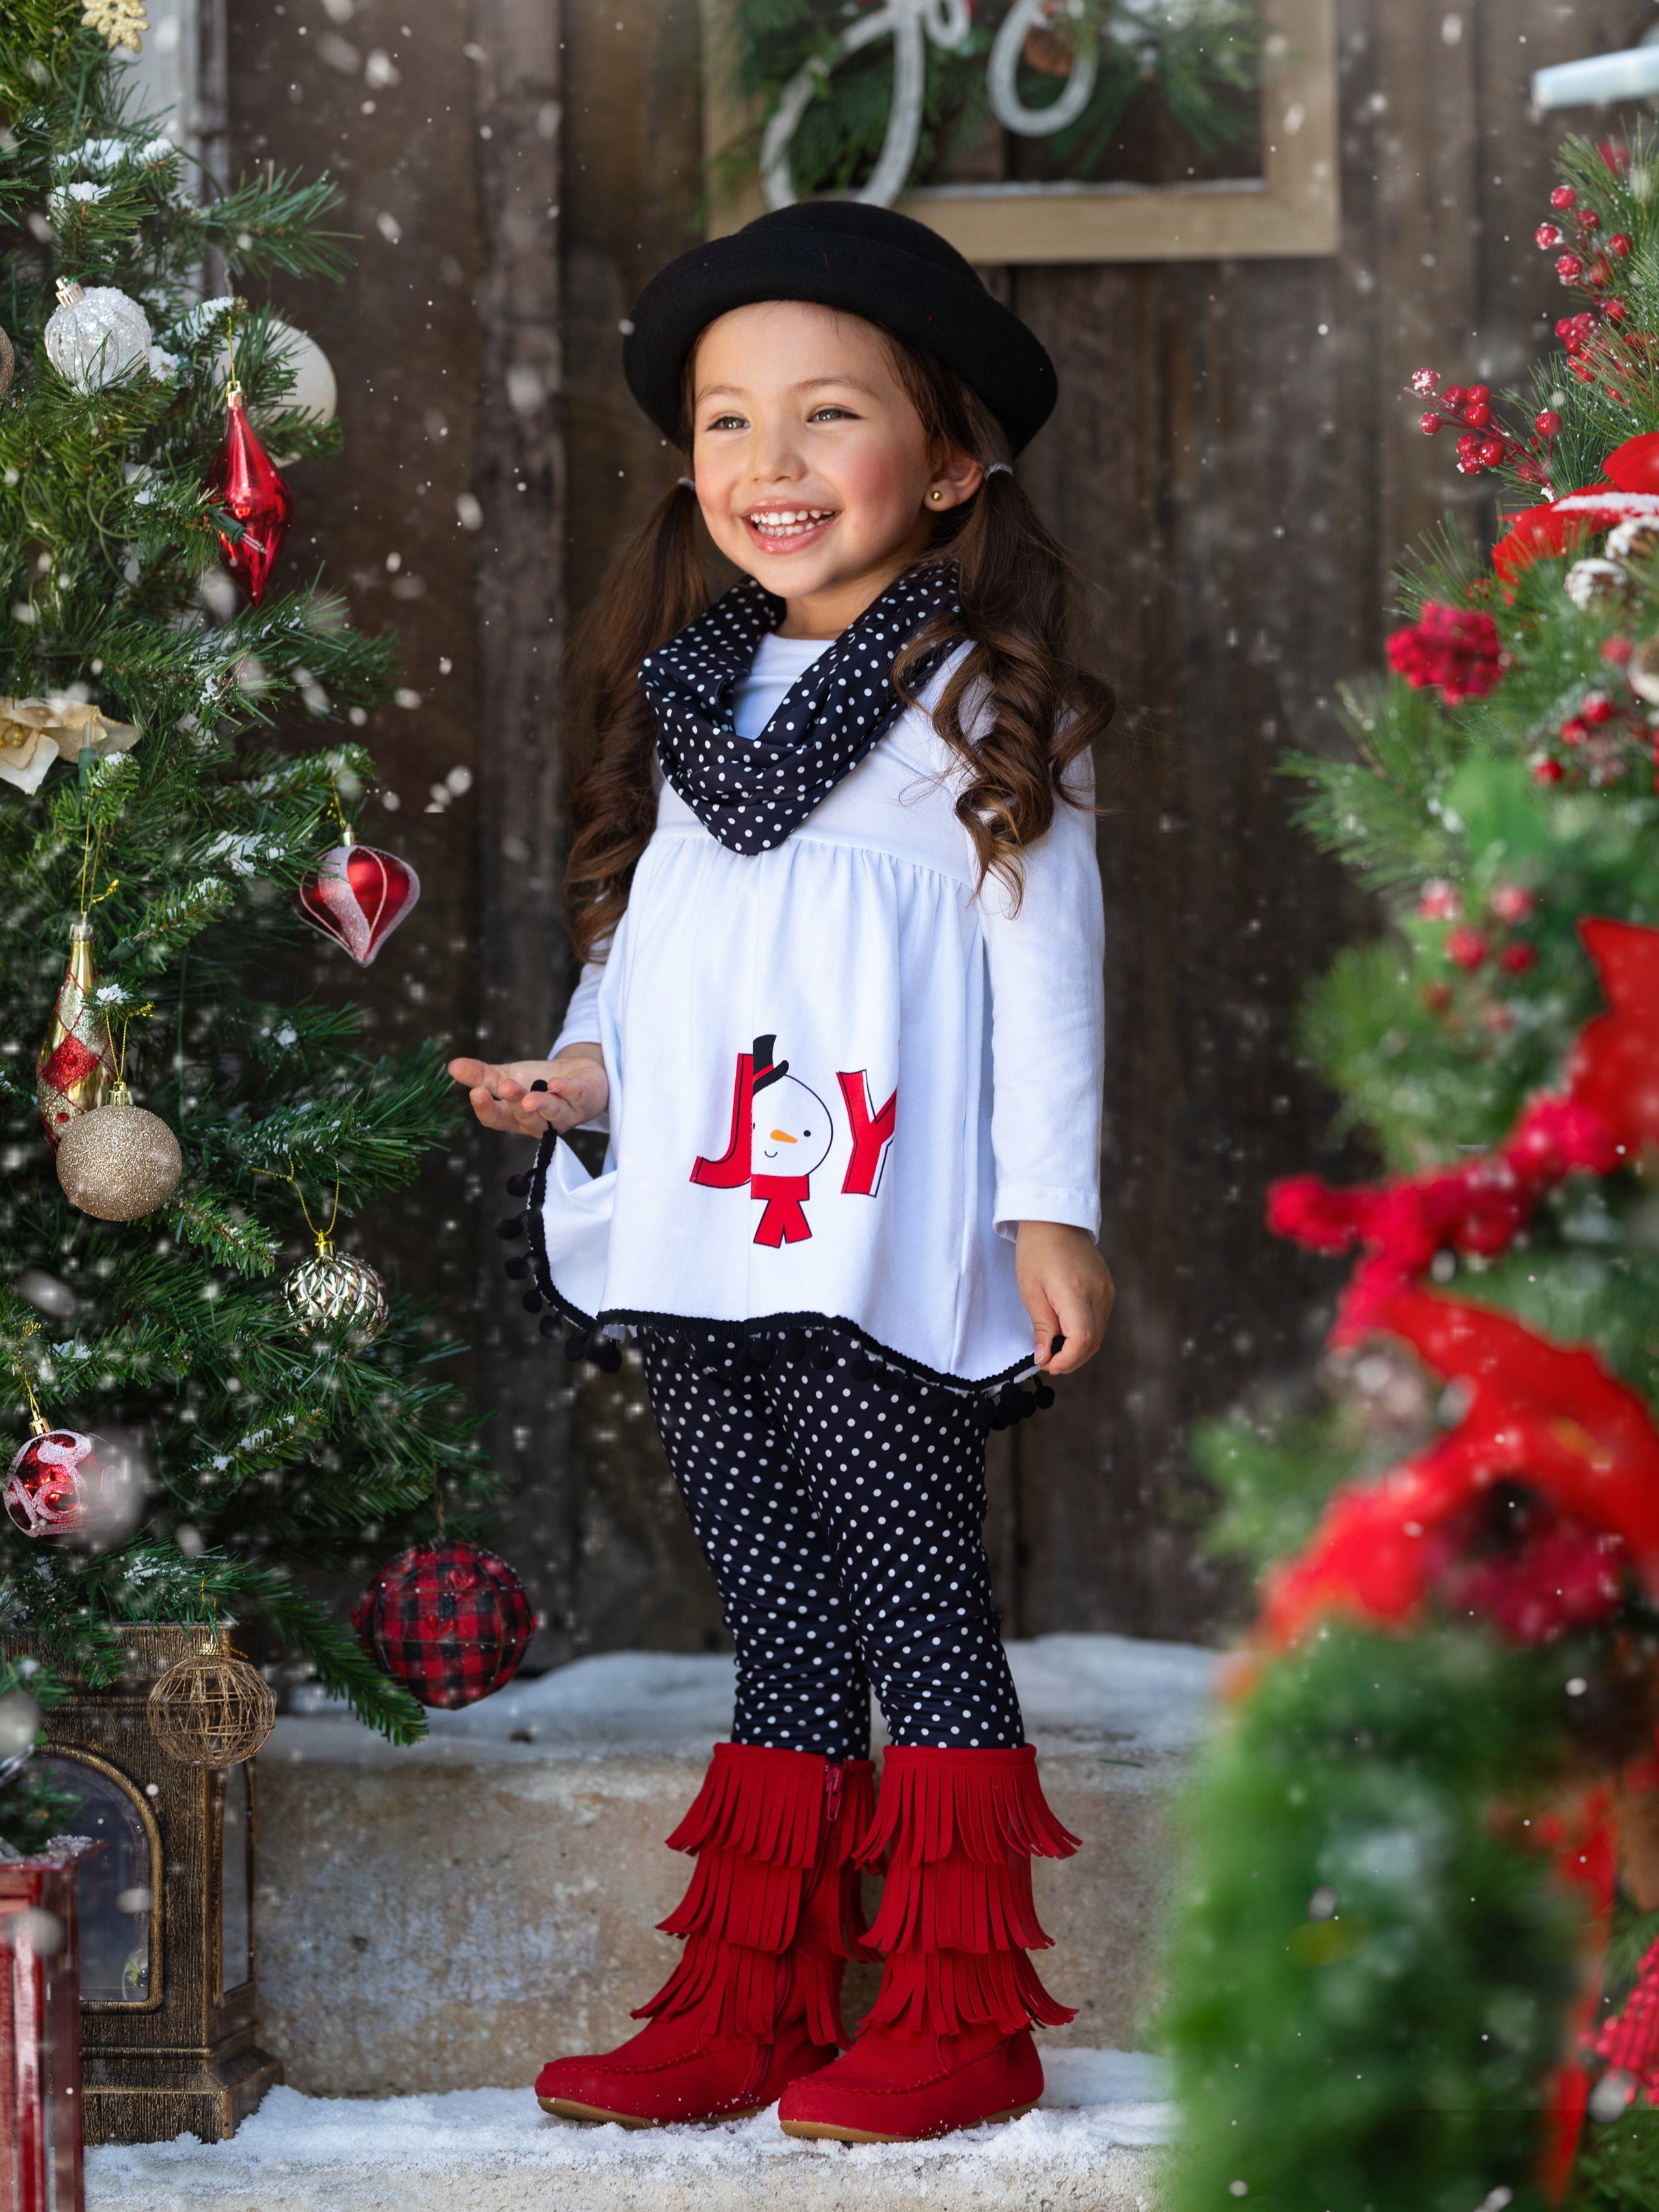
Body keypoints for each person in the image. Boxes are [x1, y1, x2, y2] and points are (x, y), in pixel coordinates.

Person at [450, 198, 1114, 2144]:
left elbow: (1047, 986)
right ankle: (747, 2000)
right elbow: (658, 961)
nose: (771, 464)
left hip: (880, 1240)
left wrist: (1049, 1207)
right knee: (779, 1615)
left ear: (955, 460)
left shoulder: (982, 711)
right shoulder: (689, 704)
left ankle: (962, 2012)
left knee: (914, 1607)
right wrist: (579, 1077)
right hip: (706, 1234)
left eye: (830, 417)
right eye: (729, 425)